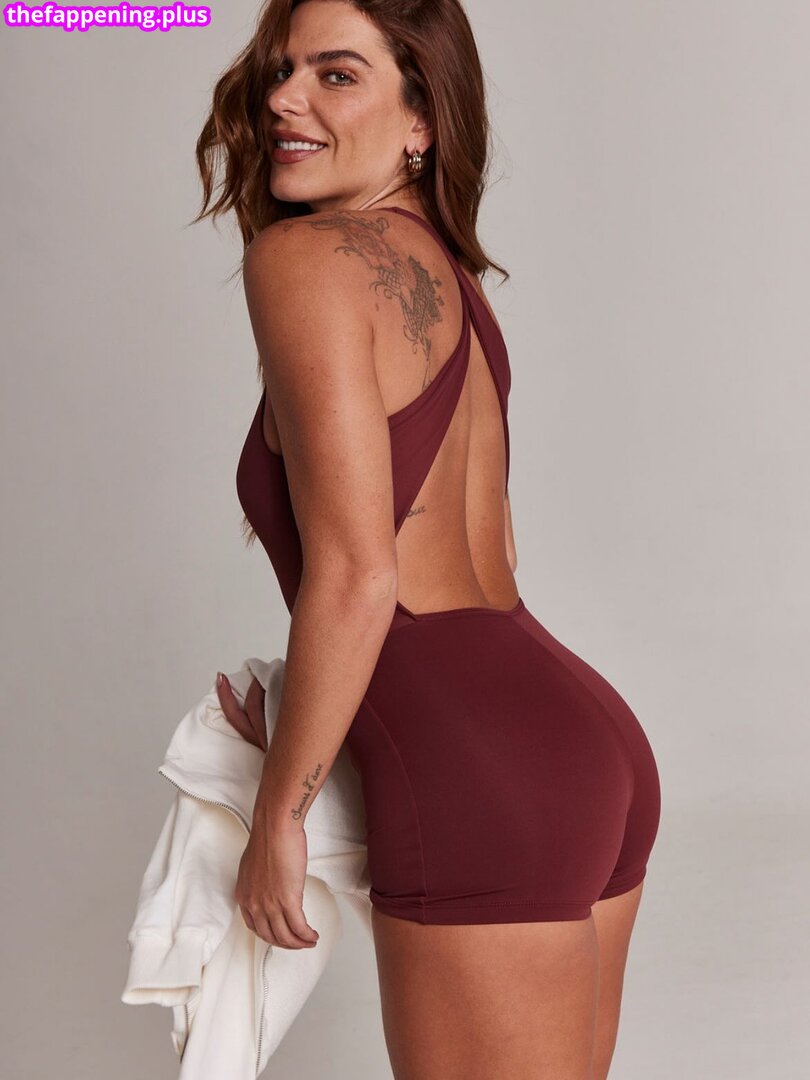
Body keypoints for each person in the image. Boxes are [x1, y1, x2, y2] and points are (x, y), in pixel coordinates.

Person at [193, 1, 662, 1076]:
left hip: (479, 777)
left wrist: (280, 814)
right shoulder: (448, 276)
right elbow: (470, 567)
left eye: (336, 75)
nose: (282, 99)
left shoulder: (304, 261)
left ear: (422, 120)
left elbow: (363, 576)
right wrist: (322, 736)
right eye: (281, 69)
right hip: (576, 736)